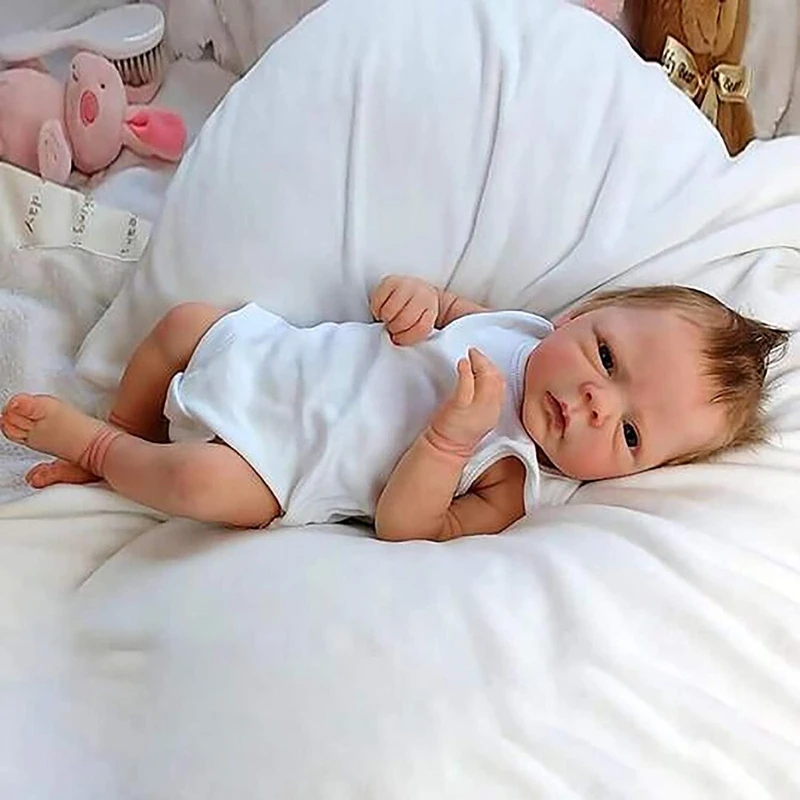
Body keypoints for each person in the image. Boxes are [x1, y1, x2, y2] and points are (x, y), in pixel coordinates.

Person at [0, 275, 789, 541]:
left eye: (630, 432)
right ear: (581, 315)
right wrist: (414, 301)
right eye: (608, 359)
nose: (593, 403)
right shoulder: (520, 329)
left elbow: (410, 528)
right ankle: (127, 424)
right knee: (185, 323)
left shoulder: (516, 477)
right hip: (282, 362)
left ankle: (101, 453)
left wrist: (450, 442)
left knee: (198, 485)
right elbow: (441, 309)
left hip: (281, 466)